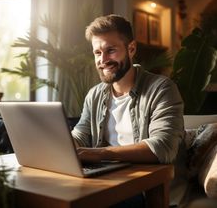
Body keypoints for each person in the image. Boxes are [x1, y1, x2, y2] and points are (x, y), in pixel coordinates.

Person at [71, 14, 187, 207]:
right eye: (97, 53)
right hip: (106, 183)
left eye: (111, 51)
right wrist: (61, 146)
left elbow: (162, 147)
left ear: (131, 48)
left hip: (148, 190)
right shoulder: (95, 94)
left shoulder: (162, 88)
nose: (103, 59)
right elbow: (81, 135)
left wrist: (99, 154)